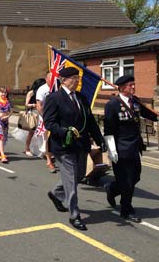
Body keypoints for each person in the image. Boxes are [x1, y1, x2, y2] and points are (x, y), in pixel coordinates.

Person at [43, 67, 105, 231]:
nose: (77, 81)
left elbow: (90, 121)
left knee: (78, 176)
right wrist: (64, 132)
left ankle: (56, 193)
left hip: (81, 145)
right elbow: (49, 123)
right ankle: (75, 215)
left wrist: (100, 139)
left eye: (77, 78)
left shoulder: (82, 98)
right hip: (64, 146)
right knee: (71, 181)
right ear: (63, 80)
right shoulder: (54, 98)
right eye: (73, 78)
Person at [104, 75, 157, 223]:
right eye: (130, 85)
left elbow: (151, 114)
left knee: (135, 177)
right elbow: (109, 130)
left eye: (134, 85)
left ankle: (112, 189)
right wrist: (111, 150)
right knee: (126, 181)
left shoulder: (135, 101)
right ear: (121, 88)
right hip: (120, 148)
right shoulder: (112, 105)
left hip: (134, 147)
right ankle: (126, 210)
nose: (133, 87)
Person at [36, 72, 57, 173]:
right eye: (51, 78)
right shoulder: (42, 90)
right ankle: (49, 161)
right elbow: (39, 105)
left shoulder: (57, 88)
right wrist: (45, 117)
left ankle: (53, 156)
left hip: (56, 117)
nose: (53, 80)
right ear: (46, 79)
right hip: (46, 118)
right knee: (47, 139)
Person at [24, 78, 46, 157]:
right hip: (33, 113)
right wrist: (34, 105)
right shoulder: (31, 92)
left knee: (42, 132)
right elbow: (26, 104)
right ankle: (27, 148)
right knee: (31, 132)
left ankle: (43, 150)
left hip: (41, 113)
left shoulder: (43, 92)